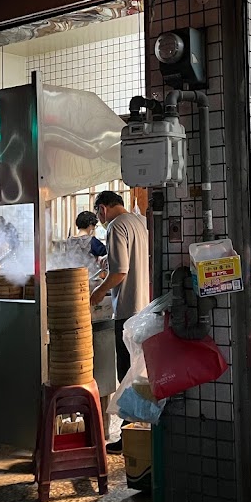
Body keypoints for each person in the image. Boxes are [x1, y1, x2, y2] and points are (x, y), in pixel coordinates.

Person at [89, 191, 150, 454]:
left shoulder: (115, 226)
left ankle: (128, 436)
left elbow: (120, 271)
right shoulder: (139, 222)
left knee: (126, 373)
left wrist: (98, 292)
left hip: (127, 311)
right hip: (144, 308)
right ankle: (138, 430)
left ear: (102, 210)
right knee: (137, 374)